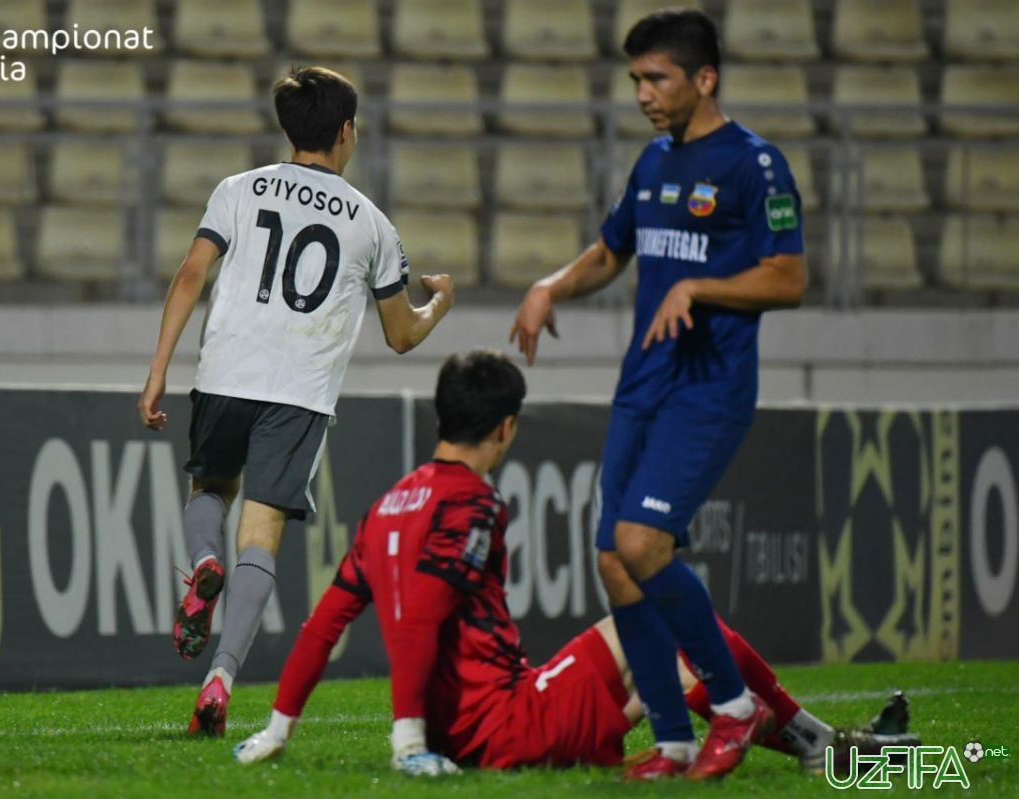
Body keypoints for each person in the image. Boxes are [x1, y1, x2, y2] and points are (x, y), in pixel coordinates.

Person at [232, 351, 916, 776]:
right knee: (663, 622)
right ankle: (812, 741)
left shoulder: (389, 505)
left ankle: (826, 747)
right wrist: (408, 741)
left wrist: (278, 726)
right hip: (507, 724)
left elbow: (325, 624)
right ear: (505, 427)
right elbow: (419, 621)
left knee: (666, 649)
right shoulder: (471, 502)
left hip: (479, 722)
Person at [509, 8, 808, 781]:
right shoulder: (653, 161)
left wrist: (700, 287)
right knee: (614, 559)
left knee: (643, 545)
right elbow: (613, 250)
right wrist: (550, 286)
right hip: (643, 384)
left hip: (707, 388)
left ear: (705, 79)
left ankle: (735, 706)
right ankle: (673, 739)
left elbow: (789, 277)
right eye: (636, 79)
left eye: (657, 78)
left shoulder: (755, 164)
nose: (642, 92)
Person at [137, 66, 455, 737]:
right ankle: (221, 679)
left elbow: (192, 273)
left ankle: (204, 562)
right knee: (262, 534)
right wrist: (439, 306)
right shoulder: (372, 224)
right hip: (299, 395)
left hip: (225, 375)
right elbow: (401, 334)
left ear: (288, 129)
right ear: (346, 131)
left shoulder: (237, 189)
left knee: (209, 489)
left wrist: (158, 369)